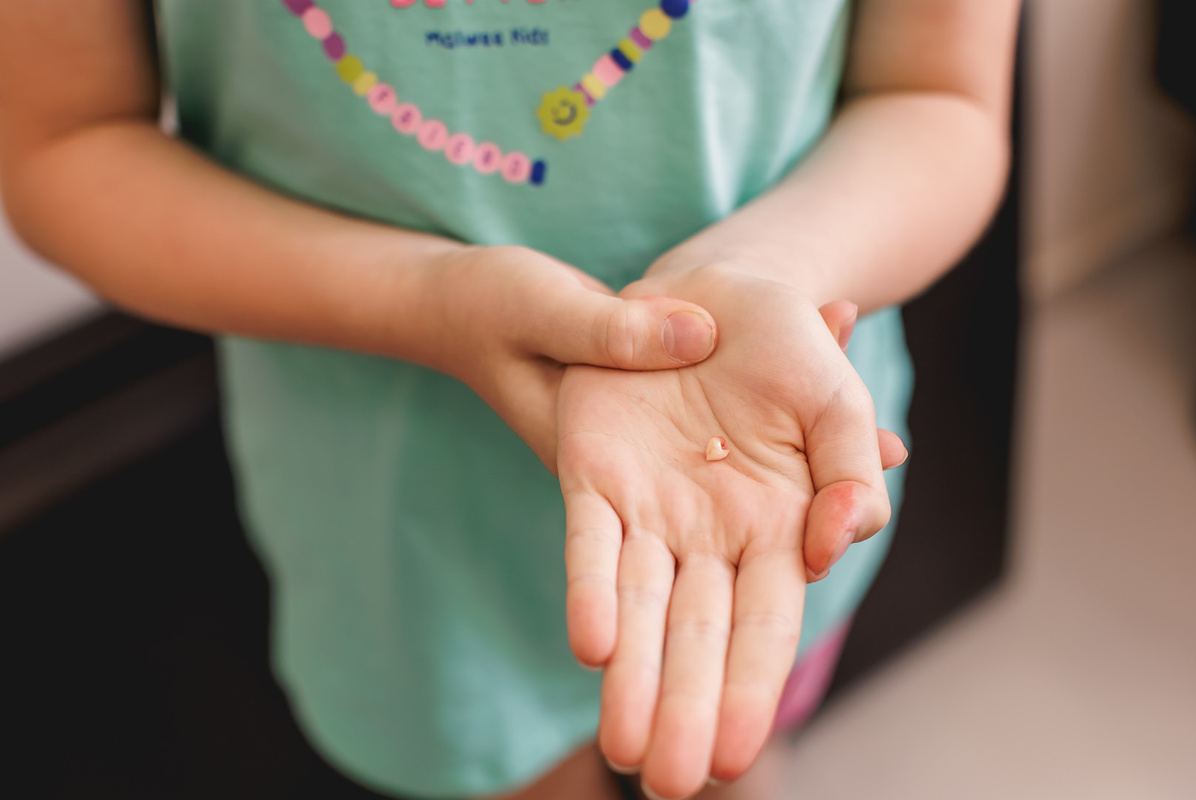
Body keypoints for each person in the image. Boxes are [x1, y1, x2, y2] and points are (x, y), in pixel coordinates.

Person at [0, 1, 1020, 798]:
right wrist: (428, 297)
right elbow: (62, 143)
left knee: (734, 743)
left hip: (761, 497)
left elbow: (942, 97)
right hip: (397, 526)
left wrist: (763, 269)